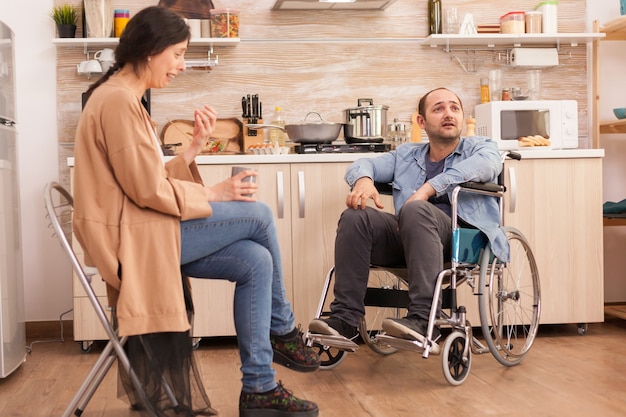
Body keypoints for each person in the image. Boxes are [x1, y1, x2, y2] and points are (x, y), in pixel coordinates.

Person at [73, 6, 319, 417]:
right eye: (179, 54)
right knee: (256, 214)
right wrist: (218, 192)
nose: (182, 66)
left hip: (144, 229)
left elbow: (142, 180)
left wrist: (194, 147)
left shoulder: (122, 97)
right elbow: (147, 190)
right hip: (133, 240)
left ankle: (260, 388)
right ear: (152, 50)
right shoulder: (117, 101)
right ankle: (284, 331)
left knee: (256, 260)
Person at [308, 87, 508, 354]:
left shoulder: (480, 148)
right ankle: (346, 319)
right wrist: (364, 180)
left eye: (454, 108)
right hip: (410, 236)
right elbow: (362, 164)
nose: (448, 114)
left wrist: (428, 189)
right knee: (356, 216)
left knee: (415, 209)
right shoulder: (406, 155)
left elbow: (488, 165)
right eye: (438, 108)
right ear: (421, 122)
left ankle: (424, 318)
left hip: (459, 239)